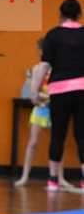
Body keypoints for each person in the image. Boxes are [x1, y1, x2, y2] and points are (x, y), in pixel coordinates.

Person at [31, 0, 84, 192]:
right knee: (82, 135)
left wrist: (34, 91)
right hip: (82, 90)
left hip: (59, 91)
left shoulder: (53, 35)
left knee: (57, 135)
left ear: (60, 14)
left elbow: (44, 66)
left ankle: (53, 180)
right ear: (79, 15)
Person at [15, 39, 73, 189]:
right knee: (33, 142)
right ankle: (24, 176)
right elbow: (31, 92)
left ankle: (60, 177)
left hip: (56, 108)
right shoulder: (37, 69)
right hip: (41, 108)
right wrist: (41, 98)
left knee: (57, 142)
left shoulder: (60, 69)